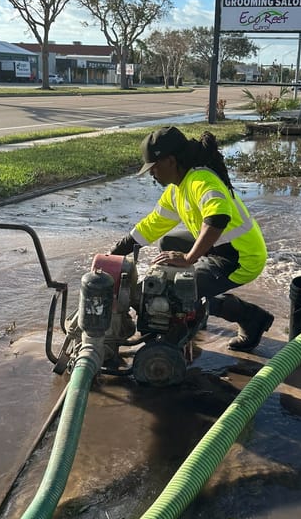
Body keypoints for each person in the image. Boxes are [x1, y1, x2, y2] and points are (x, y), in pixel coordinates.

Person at [110, 125, 273, 352]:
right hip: (217, 245)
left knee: (178, 293)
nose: (151, 173)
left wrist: (188, 258)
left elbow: (218, 218)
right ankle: (193, 311)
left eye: (154, 167)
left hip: (239, 255)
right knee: (167, 244)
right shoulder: (177, 188)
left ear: (170, 160)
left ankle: (250, 317)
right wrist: (113, 255)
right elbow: (151, 225)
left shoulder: (200, 180)